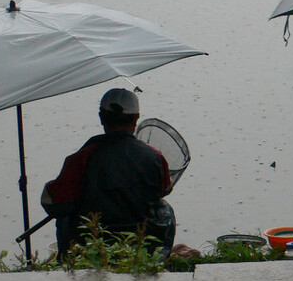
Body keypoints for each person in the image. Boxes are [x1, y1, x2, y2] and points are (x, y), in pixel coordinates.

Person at [42, 88, 196, 258]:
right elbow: (164, 189)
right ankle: (157, 258)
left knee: (65, 218)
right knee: (164, 208)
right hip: (140, 242)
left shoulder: (80, 158)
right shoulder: (155, 157)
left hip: (93, 243)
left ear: (101, 117)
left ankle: (71, 261)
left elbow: (52, 203)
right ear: (136, 118)